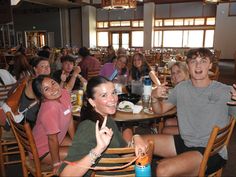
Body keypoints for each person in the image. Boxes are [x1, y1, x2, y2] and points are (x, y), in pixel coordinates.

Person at [147, 48, 236, 176]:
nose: (198, 65)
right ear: (187, 66)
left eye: (203, 61)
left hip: (211, 151)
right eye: (193, 61)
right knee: (139, 141)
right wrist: (154, 97)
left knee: (162, 169)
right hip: (186, 142)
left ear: (210, 65)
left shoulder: (225, 91)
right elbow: (159, 110)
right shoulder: (181, 88)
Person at [59, 76, 147, 177]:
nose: (113, 99)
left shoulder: (107, 119)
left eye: (113, 92)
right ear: (92, 102)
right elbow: (65, 174)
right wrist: (98, 150)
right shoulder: (87, 127)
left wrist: (136, 138)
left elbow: (123, 154)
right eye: (104, 95)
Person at [31, 75, 74, 175]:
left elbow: (69, 118)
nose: (53, 89)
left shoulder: (64, 93)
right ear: (42, 96)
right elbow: (52, 139)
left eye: (53, 83)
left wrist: (75, 139)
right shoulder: (50, 108)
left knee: (83, 145)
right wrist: (56, 163)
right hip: (42, 151)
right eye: (46, 89)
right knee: (80, 153)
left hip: (58, 140)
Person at [162, 61, 189, 135]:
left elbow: (162, 109)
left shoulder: (184, 88)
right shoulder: (182, 86)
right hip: (187, 120)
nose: (175, 75)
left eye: (178, 71)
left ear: (186, 72)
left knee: (165, 130)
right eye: (173, 73)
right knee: (167, 122)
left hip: (194, 126)